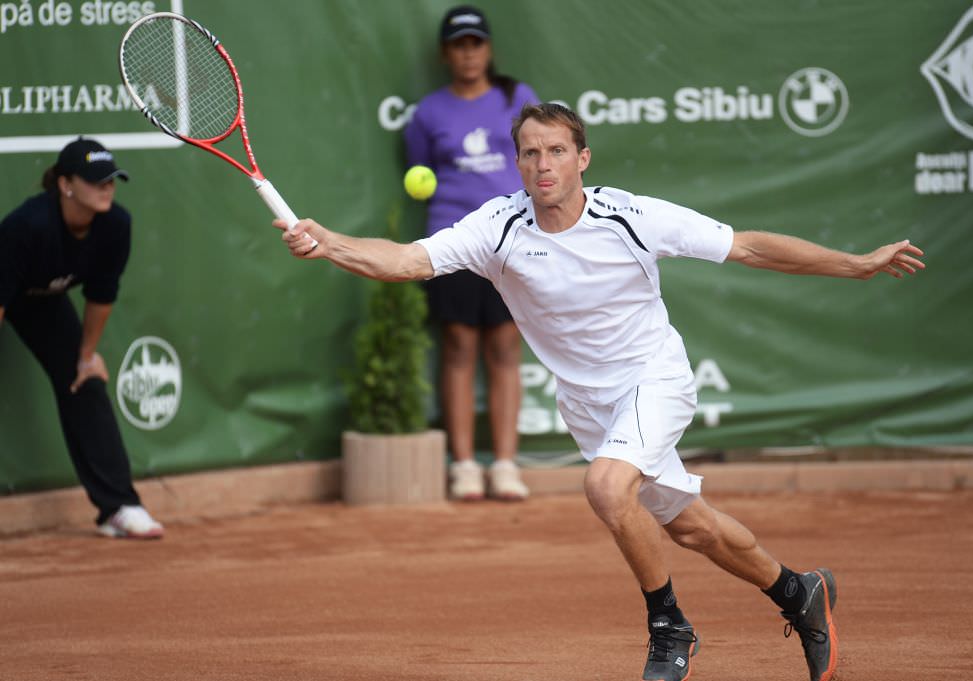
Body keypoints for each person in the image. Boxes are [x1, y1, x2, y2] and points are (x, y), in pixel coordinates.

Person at [277, 103, 925, 681]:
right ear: (518, 163)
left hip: (654, 378)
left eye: (556, 150)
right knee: (694, 529)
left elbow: (748, 247)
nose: (542, 163)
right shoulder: (496, 227)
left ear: (582, 158)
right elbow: (409, 260)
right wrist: (329, 242)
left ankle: (670, 627)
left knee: (606, 488)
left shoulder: (632, 216)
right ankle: (799, 591)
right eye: (529, 152)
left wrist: (856, 262)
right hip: (590, 407)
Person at [403, 6, 539, 501]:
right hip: (454, 240)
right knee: (458, 347)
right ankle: (463, 465)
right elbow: (419, 172)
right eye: (458, 44)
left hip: (512, 240)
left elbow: (539, 157)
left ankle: (505, 464)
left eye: (475, 43)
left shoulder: (516, 98)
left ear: (489, 49)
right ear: (446, 53)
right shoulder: (428, 113)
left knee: (504, 347)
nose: (468, 53)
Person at [0, 137, 164, 540]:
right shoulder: (26, 227)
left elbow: (101, 295)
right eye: (96, 180)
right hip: (6, 292)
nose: (107, 188)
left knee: (85, 381)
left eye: (112, 180)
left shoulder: (115, 225)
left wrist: (86, 355)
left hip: (45, 299)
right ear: (65, 184)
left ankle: (119, 507)